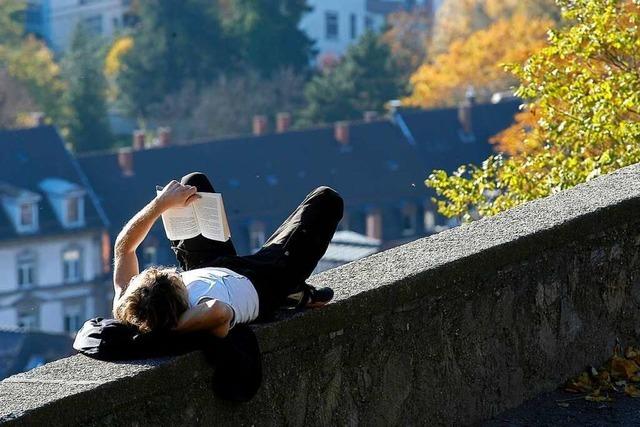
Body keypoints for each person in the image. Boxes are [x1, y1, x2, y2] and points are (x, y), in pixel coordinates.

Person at [112, 172, 343, 338]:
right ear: (178, 302)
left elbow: (124, 248)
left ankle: (292, 292)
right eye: (173, 278)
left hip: (210, 265)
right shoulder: (201, 313)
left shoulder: (127, 304)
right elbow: (219, 311)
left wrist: (160, 204)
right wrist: (169, 327)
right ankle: (291, 293)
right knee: (327, 200)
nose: (174, 273)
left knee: (193, 184)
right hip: (263, 281)